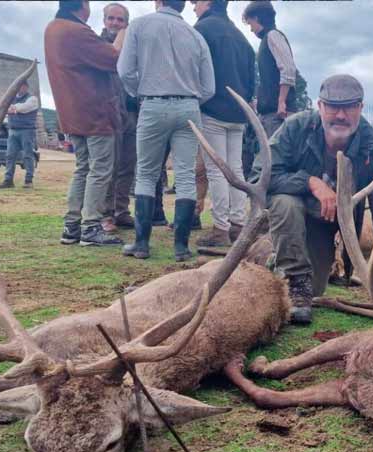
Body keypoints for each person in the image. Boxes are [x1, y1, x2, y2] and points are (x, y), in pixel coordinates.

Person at [252, 74, 373, 324]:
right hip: (290, 216)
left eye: (349, 107)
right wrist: (309, 182)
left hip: (325, 225)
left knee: (315, 288)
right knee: (285, 202)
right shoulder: (296, 128)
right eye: (333, 107)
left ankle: (286, 267)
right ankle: (292, 275)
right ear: (319, 106)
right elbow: (259, 177)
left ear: (360, 108)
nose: (341, 115)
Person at [117, 0, 214, 261]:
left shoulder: (139, 25)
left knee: (146, 173)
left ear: (158, 1)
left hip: (153, 103)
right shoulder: (196, 36)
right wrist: (190, 100)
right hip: (189, 107)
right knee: (184, 175)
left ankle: (141, 244)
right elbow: (209, 87)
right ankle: (181, 247)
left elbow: (125, 70)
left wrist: (142, 91)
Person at [45, 0, 122, 247]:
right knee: (99, 170)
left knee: (83, 168)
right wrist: (123, 34)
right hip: (94, 112)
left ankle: (72, 226)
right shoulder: (76, 31)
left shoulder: (53, 28)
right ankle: (90, 226)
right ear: (83, 6)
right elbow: (114, 59)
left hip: (72, 112)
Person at [192, 0, 256, 248]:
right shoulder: (240, 36)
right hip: (238, 110)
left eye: (196, 2)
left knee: (216, 169)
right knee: (236, 169)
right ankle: (238, 223)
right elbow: (252, 77)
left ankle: (220, 227)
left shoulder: (202, 30)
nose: (194, 6)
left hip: (213, 108)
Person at [98, 2, 137, 231]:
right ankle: (106, 214)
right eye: (111, 18)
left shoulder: (134, 47)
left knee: (127, 165)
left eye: (120, 20)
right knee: (109, 166)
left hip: (131, 111)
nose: (115, 23)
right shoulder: (98, 44)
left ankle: (122, 210)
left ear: (126, 23)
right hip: (109, 112)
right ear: (104, 21)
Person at [242, 0, 297, 137]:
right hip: (271, 114)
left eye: (250, 23)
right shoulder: (267, 39)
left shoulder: (273, 36)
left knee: (277, 156)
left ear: (256, 18)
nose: (250, 28)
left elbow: (288, 69)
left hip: (278, 114)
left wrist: (281, 102)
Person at [0, 79, 39, 189]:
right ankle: (8, 180)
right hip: (13, 130)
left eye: (20, 86)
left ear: (25, 87)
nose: (18, 89)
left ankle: (28, 180)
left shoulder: (32, 99)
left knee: (27, 155)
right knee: (10, 155)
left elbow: (23, 108)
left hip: (27, 130)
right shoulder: (12, 98)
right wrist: (11, 108)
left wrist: (13, 108)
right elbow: (3, 106)